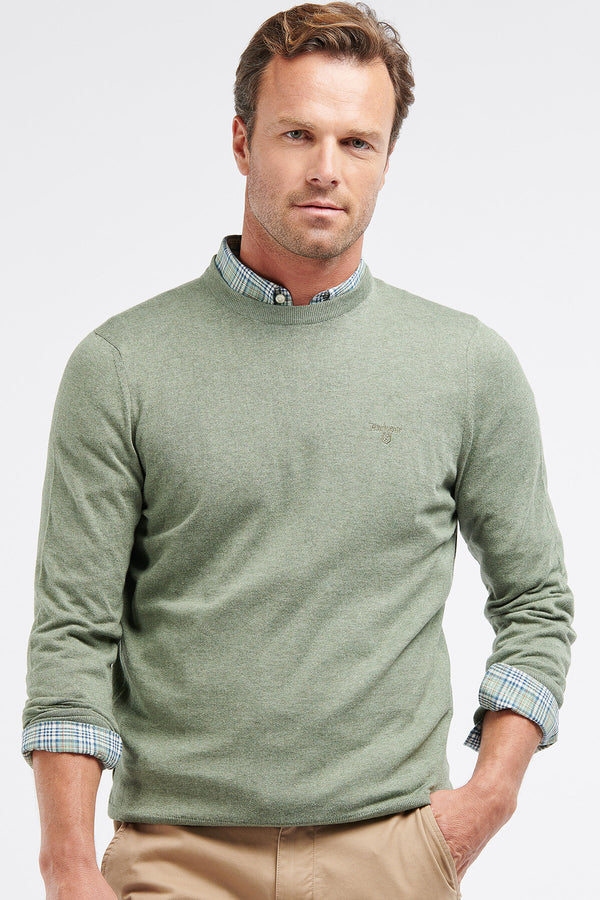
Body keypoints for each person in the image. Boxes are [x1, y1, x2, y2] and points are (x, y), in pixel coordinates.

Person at [22, 3, 575, 899]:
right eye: (297, 134)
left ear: (387, 159)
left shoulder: (467, 366)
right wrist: (67, 864)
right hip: (175, 857)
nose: (327, 169)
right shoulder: (121, 366)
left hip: (391, 853)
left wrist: (489, 799)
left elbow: (536, 601)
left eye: (358, 143)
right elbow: (75, 632)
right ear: (242, 141)